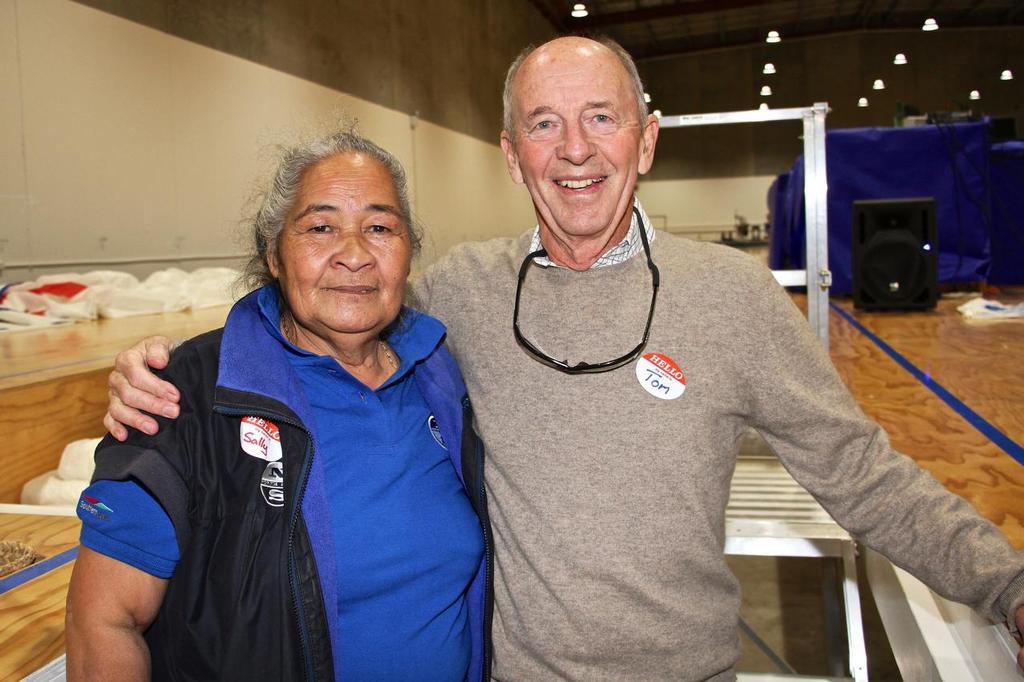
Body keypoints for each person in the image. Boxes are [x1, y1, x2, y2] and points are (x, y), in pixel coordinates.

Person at [102, 37, 1024, 680]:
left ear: (647, 139)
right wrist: (169, 369)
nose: (575, 151)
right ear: (511, 155)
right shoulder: (457, 293)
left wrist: (1009, 589)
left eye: (601, 119)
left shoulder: (733, 301)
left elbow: (865, 478)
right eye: (544, 125)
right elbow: (324, 292)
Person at [66, 131, 492, 681]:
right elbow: (102, 622)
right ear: (273, 253)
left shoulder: (440, 375)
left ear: (409, 251)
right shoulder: (185, 398)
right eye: (320, 227)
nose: (355, 255)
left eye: (380, 228)